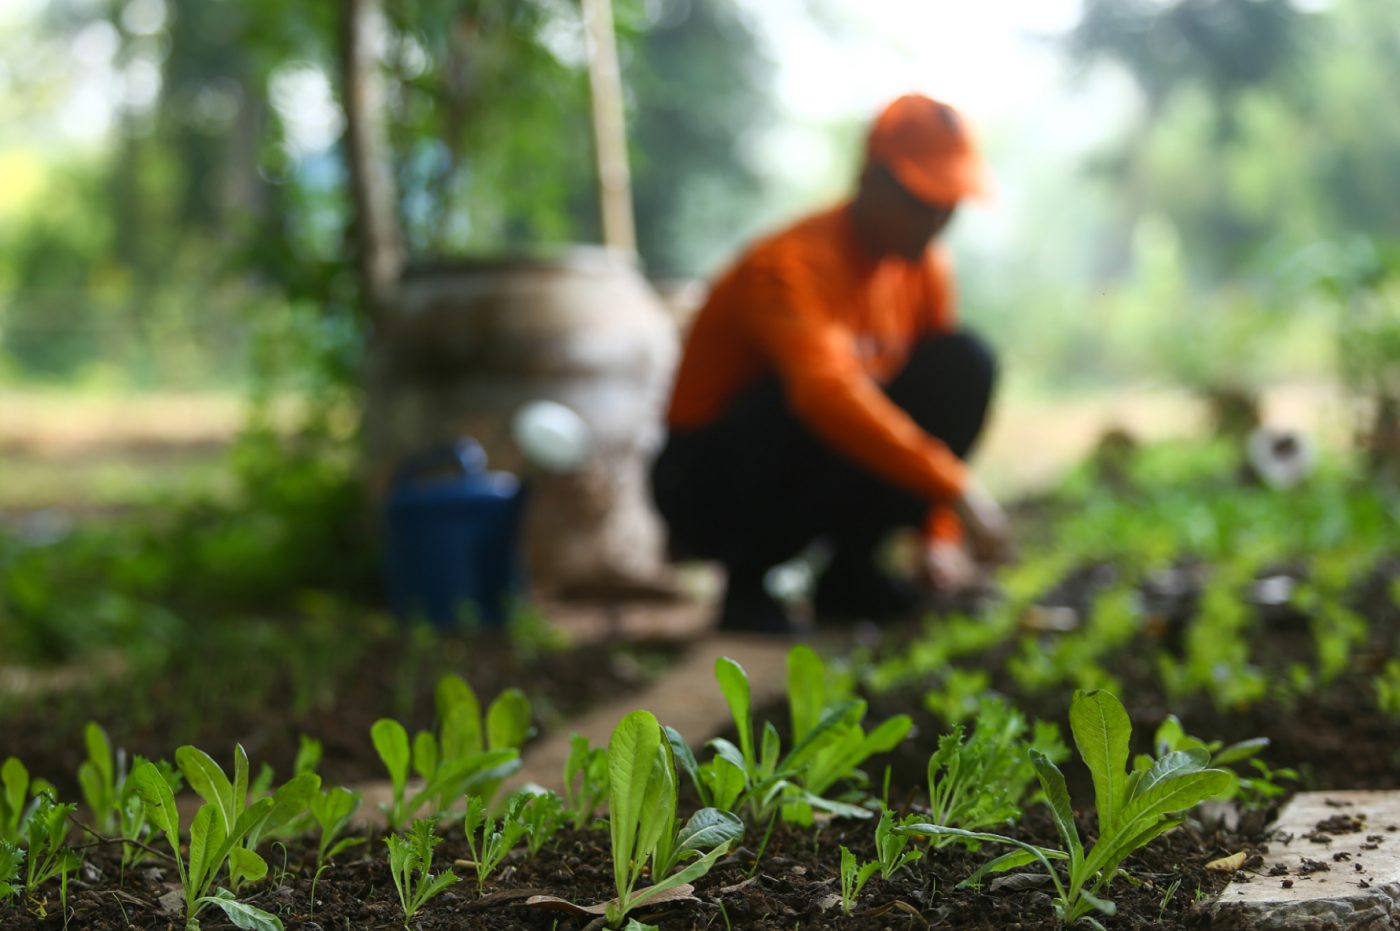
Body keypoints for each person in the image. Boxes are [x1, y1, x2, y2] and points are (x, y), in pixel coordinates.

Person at [650, 94, 1012, 634]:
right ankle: (749, 580)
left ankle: (850, 578)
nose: (936, 222)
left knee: (960, 366)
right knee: (813, 398)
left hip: (815, 466)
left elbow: (929, 406)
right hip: (705, 482)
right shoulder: (792, 265)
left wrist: (937, 536)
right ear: (871, 180)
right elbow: (823, 394)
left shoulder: (924, 268)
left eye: (948, 205)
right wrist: (956, 489)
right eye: (922, 201)